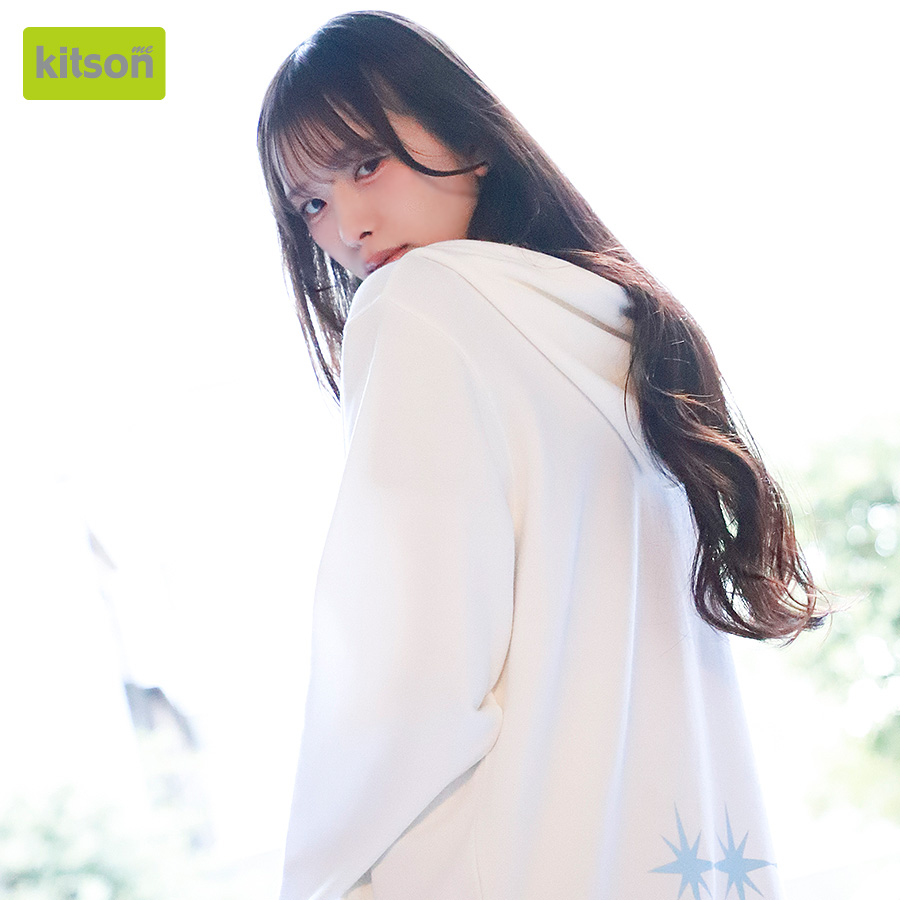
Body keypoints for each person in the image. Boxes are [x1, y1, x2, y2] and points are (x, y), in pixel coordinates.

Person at [257, 11, 824, 900]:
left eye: (366, 164)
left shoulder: (417, 304)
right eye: (311, 204)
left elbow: (406, 673)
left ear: (468, 137)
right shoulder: (620, 330)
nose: (348, 225)